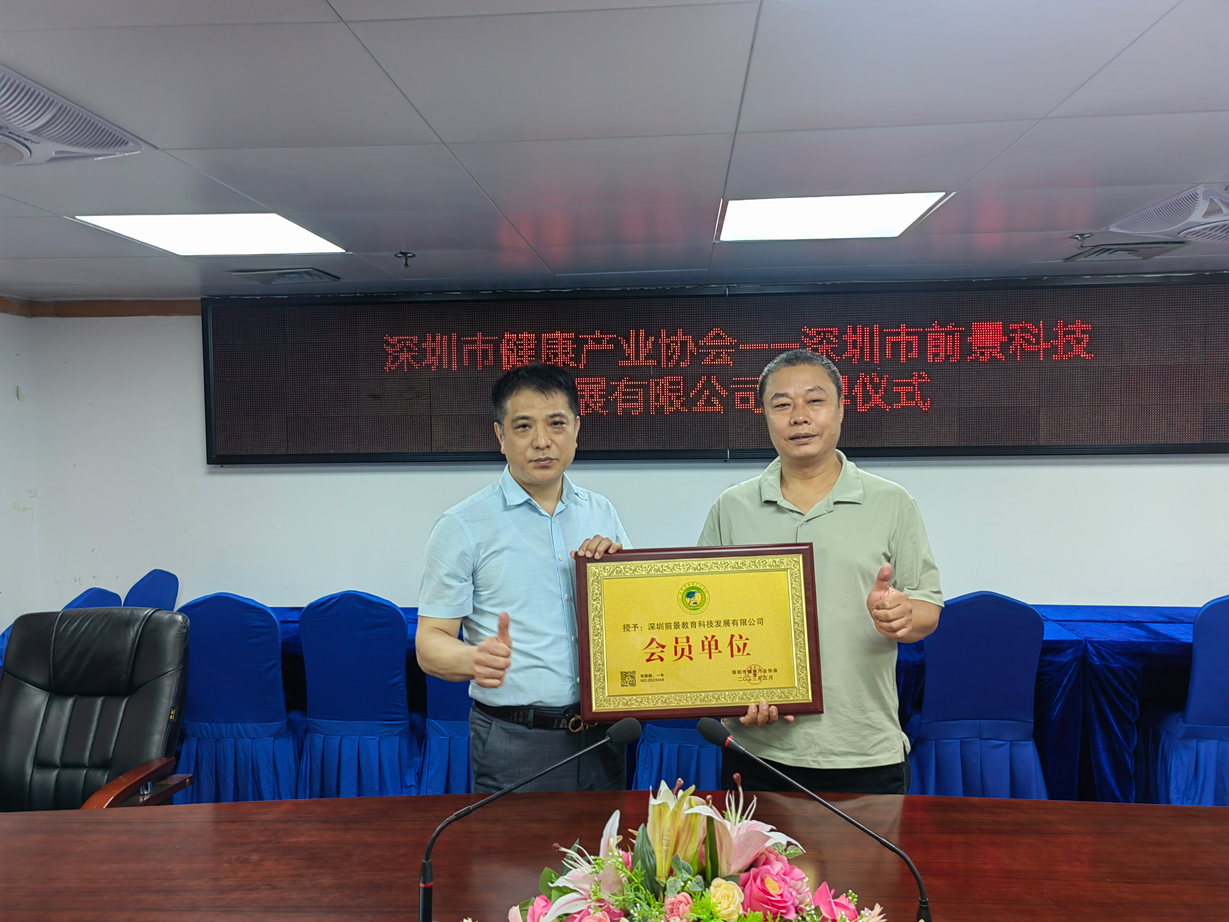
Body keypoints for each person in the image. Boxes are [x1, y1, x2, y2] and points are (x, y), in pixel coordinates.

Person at [698, 349, 943, 795]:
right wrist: (733, 693)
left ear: (841, 409)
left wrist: (903, 616)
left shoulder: (891, 502)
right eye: (782, 404)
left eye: (814, 401)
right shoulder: (731, 508)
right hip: (758, 750)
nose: (799, 417)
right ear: (765, 416)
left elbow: (929, 608)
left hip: (863, 749)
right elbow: (703, 620)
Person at [416, 363, 629, 793]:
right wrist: (472, 659)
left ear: (577, 428)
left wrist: (622, 581)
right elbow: (430, 642)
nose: (542, 441)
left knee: (608, 841)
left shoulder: (601, 512)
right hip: (514, 738)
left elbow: (631, 620)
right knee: (512, 843)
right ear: (500, 436)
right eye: (524, 426)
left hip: (602, 736)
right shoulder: (462, 525)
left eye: (556, 423)